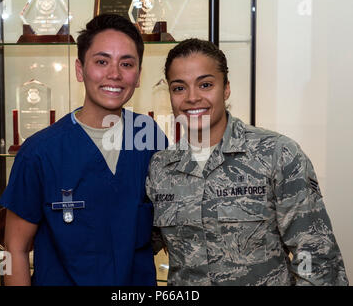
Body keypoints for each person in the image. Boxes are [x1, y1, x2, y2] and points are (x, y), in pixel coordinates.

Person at [146, 38, 349, 286]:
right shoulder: (161, 168)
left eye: (205, 84)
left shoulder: (276, 154)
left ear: (226, 88)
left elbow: (316, 256)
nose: (192, 97)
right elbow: (139, 246)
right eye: (179, 88)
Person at [0, 14, 167, 286]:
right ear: (80, 70)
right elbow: (14, 249)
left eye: (127, 63)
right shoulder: (40, 152)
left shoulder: (149, 136)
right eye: (102, 62)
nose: (114, 74)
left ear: (138, 75)